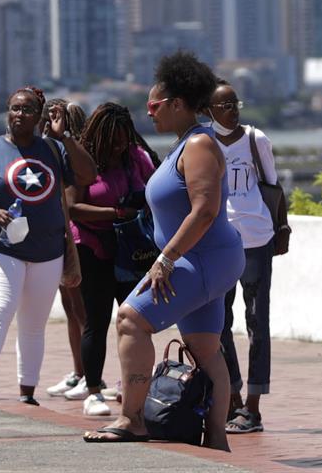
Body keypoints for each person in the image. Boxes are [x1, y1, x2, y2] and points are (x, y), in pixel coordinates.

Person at [84, 52, 243, 450]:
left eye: (154, 105)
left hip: (201, 258)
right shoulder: (183, 145)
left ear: (176, 104)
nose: (149, 113)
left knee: (130, 321)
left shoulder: (200, 144)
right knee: (207, 348)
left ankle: (132, 418)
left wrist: (166, 258)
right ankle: (218, 441)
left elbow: (205, 209)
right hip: (204, 260)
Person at [0, 87, 96, 404]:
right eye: (15, 108)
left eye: (27, 110)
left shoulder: (52, 149)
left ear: (40, 117)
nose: (19, 115)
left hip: (48, 250)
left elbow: (87, 175)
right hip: (1, 247)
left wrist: (65, 139)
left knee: (34, 324)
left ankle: (27, 391)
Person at [64, 101, 156, 417]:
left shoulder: (137, 158)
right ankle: (93, 390)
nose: (119, 145)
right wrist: (116, 212)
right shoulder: (83, 162)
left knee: (132, 319)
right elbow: (73, 208)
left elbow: (154, 193)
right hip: (93, 245)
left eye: (123, 138)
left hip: (131, 249)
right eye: (113, 139)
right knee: (97, 320)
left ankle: (130, 383)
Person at [208, 81, 279, 434]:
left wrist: (281, 230)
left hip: (256, 239)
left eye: (235, 103)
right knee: (220, 322)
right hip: (220, 242)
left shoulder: (256, 139)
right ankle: (232, 396)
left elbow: (273, 186)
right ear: (209, 110)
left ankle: (253, 406)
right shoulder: (202, 144)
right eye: (224, 105)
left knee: (256, 323)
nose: (232, 110)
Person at [44, 98, 90, 402]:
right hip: (61, 237)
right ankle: (79, 371)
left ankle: (90, 373)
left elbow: (71, 200)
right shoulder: (53, 150)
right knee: (71, 310)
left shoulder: (74, 155)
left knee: (82, 312)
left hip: (77, 239)